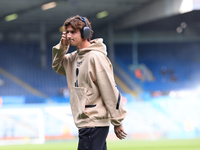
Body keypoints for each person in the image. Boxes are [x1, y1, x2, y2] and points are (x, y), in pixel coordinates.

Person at [52, 15, 127, 150]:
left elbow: (109, 90)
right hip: (86, 123)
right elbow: (57, 66)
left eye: (73, 32)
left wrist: (117, 121)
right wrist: (62, 47)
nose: (69, 35)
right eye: (67, 32)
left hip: (94, 123)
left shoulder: (95, 57)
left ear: (85, 33)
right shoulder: (72, 58)